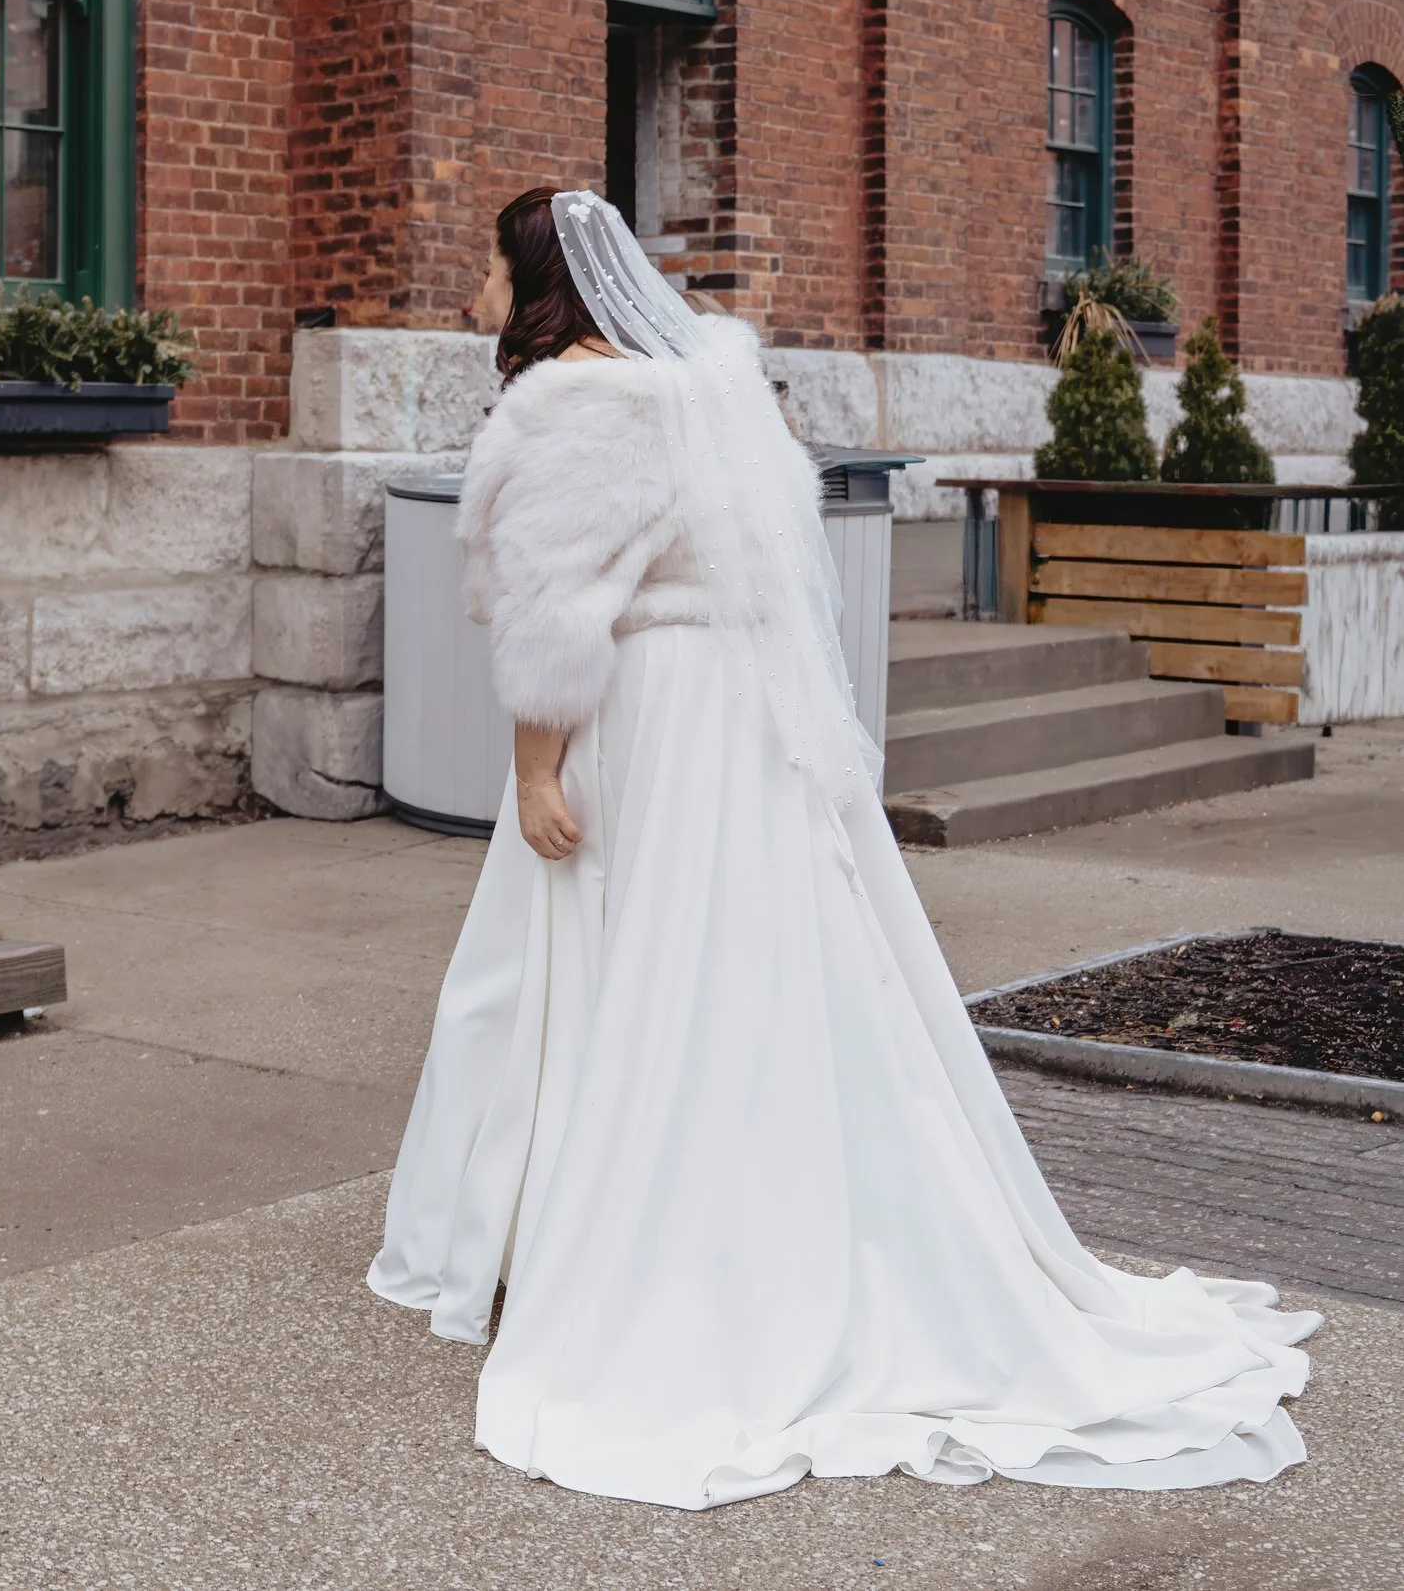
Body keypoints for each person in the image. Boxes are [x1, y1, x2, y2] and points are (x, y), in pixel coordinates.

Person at [369, 188, 1317, 1510]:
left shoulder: (570, 407)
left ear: (537, 282)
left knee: (609, 970)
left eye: (483, 262)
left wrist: (531, 768)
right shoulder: (703, 381)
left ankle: (619, 1235)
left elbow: (551, 613)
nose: (468, 285)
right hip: (742, 725)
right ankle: (772, 1222)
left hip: (645, 720)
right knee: (748, 974)